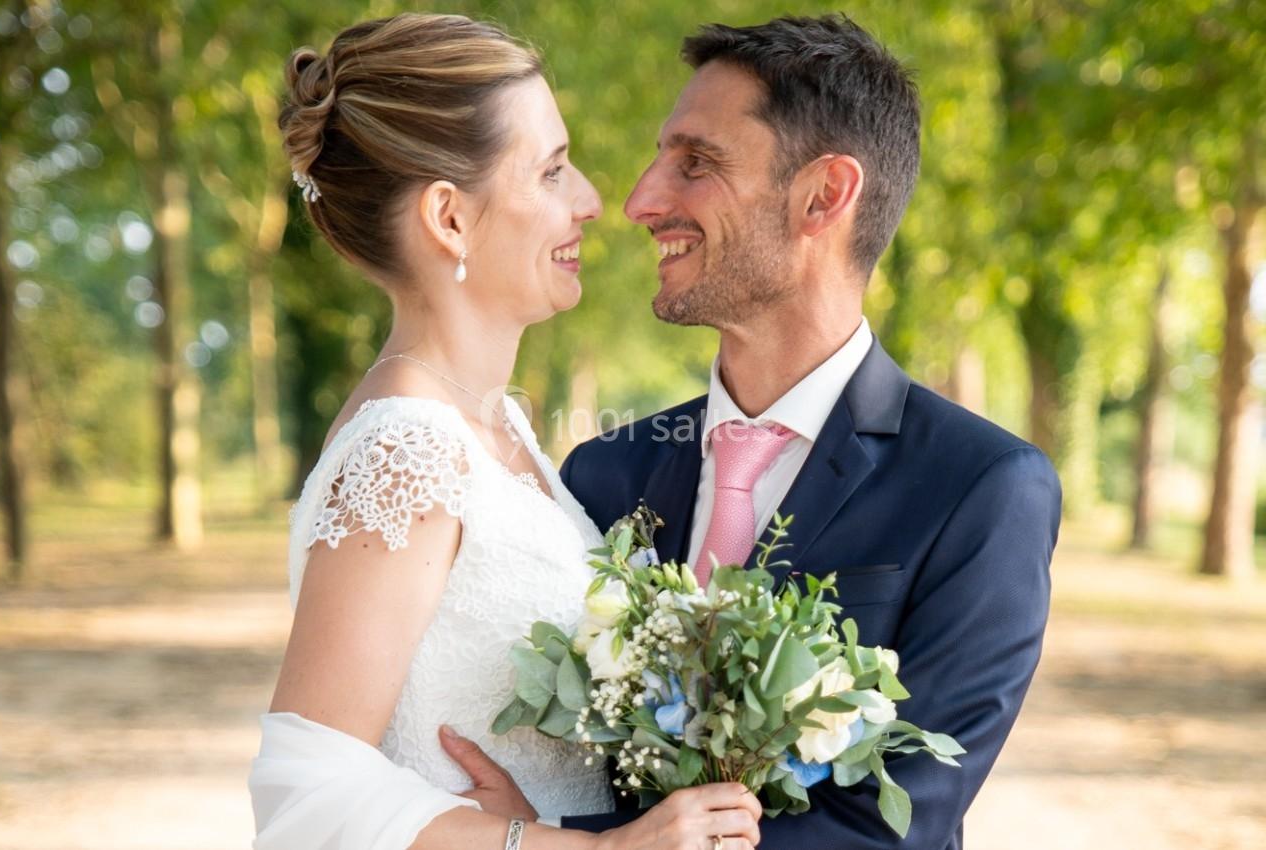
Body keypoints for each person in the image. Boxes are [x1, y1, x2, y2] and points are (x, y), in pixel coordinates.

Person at [449, 14, 1062, 850]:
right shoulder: (601, 474)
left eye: (695, 163)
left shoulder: (983, 490)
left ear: (824, 196)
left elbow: (894, 829)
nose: (638, 201)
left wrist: (559, 840)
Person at [247, 13, 761, 850]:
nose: (593, 201)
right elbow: (310, 788)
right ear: (449, 218)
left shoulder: (498, 423)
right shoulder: (405, 451)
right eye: (552, 172)